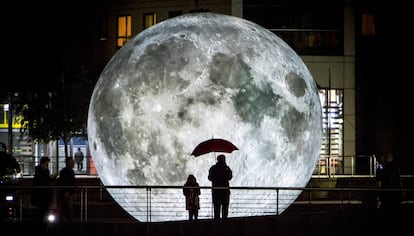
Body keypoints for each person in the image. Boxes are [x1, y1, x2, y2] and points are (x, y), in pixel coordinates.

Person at [376, 152, 403, 235]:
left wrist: (379, 168)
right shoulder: (396, 167)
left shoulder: (384, 168)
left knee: (385, 217)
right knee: (394, 216)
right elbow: (399, 181)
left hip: (386, 195)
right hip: (395, 195)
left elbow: (378, 178)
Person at [31, 156, 57, 223]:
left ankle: (42, 223)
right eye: (46, 164)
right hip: (42, 195)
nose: (47, 165)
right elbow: (45, 181)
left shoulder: (42, 171)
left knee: (42, 211)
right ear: (43, 163)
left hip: (43, 195)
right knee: (42, 211)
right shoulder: (41, 171)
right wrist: (52, 178)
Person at [208, 154, 233, 219]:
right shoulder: (226, 168)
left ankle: (217, 226)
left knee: (216, 211)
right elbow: (230, 177)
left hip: (216, 192)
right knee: (225, 211)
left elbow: (210, 178)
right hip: (225, 192)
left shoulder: (213, 168)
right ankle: (224, 226)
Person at [56, 157, 76, 223]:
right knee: (67, 211)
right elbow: (63, 182)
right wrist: (66, 192)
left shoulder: (69, 171)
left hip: (68, 193)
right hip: (66, 194)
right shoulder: (66, 172)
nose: (73, 163)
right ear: (68, 163)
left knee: (66, 211)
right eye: (72, 162)